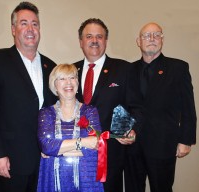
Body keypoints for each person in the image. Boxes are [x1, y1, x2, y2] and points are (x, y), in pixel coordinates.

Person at [0, 2, 56, 192]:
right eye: (23, 23)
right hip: (11, 160)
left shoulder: (51, 66)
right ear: (13, 29)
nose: (30, 29)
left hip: (45, 160)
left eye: (35, 24)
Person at [125, 22, 197, 192]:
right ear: (138, 41)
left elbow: (188, 107)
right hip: (132, 145)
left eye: (157, 35)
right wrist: (122, 131)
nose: (152, 39)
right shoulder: (128, 70)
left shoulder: (178, 68)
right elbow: (123, 104)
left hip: (163, 144)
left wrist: (186, 140)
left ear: (162, 40)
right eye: (146, 35)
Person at [74, 18, 142, 192]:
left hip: (111, 155)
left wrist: (132, 130)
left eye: (99, 36)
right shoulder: (71, 71)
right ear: (81, 42)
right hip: (77, 153)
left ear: (105, 41)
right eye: (89, 36)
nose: (94, 40)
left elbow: (137, 107)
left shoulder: (124, 69)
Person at [37, 64, 104, 192]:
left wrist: (56, 151)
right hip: (53, 177)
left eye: (72, 77)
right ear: (54, 85)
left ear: (77, 83)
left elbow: (95, 145)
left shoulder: (90, 111)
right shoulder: (45, 113)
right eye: (62, 79)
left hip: (86, 177)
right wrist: (83, 142)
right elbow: (47, 146)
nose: (68, 82)